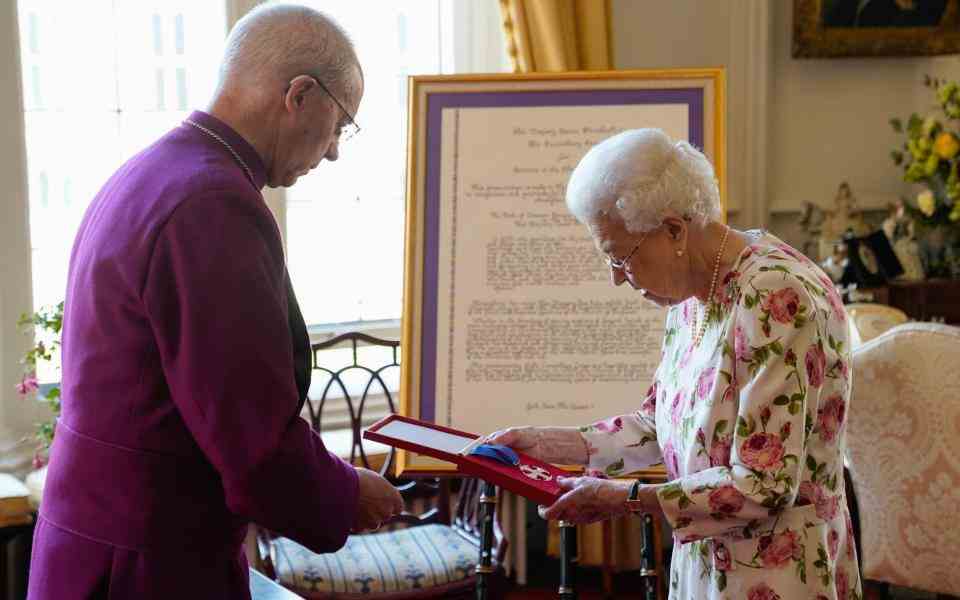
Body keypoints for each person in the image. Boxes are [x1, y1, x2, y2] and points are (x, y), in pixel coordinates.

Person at [28, 5, 403, 599]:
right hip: (150, 560)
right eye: (341, 124)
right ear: (300, 95)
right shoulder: (212, 204)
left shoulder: (155, 170)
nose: (333, 151)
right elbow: (245, 425)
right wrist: (344, 494)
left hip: (97, 537)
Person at [488, 129, 862, 599]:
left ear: (673, 230)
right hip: (710, 563)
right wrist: (545, 442)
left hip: (779, 573)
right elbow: (660, 425)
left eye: (619, 257)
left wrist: (623, 500)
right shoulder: (691, 293)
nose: (616, 280)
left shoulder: (774, 295)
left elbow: (763, 484)